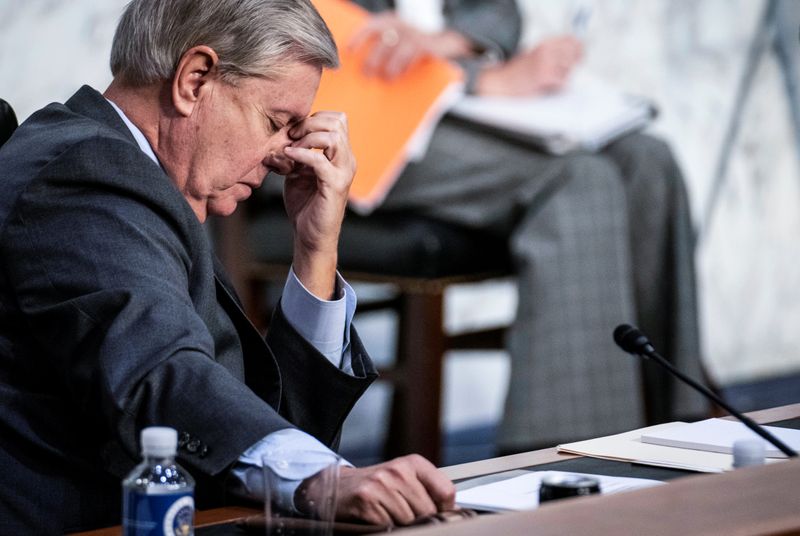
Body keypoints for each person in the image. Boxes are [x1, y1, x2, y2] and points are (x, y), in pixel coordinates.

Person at [0, 0, 454, 533]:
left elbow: (264, 433)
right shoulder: (80, 176)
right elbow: (162, 373)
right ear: (194, 80)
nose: (285, 157)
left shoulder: (141, 179)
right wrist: (323, 479)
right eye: (276, 122)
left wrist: (315, 248)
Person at [343, 0, 707, 452]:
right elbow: (292, 32)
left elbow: (495, 12)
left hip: (442, 103)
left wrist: (450, 46)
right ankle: (571, 460)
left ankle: (682, 434)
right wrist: (479, 80)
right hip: (345, 120)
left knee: (648, 161)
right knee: (579, 179)